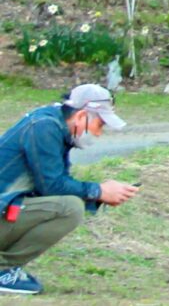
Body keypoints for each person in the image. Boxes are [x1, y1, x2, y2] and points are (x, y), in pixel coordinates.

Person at [0, 84, 135, 297]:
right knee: (70, 208)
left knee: (70, 204)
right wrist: (98, 191)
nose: (99, 134)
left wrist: (98, 195)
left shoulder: (53, 125)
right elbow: (52, 186)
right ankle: (3, 270)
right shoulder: (44, 127)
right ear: (82, 116)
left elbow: (53, 185)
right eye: (99, 125)